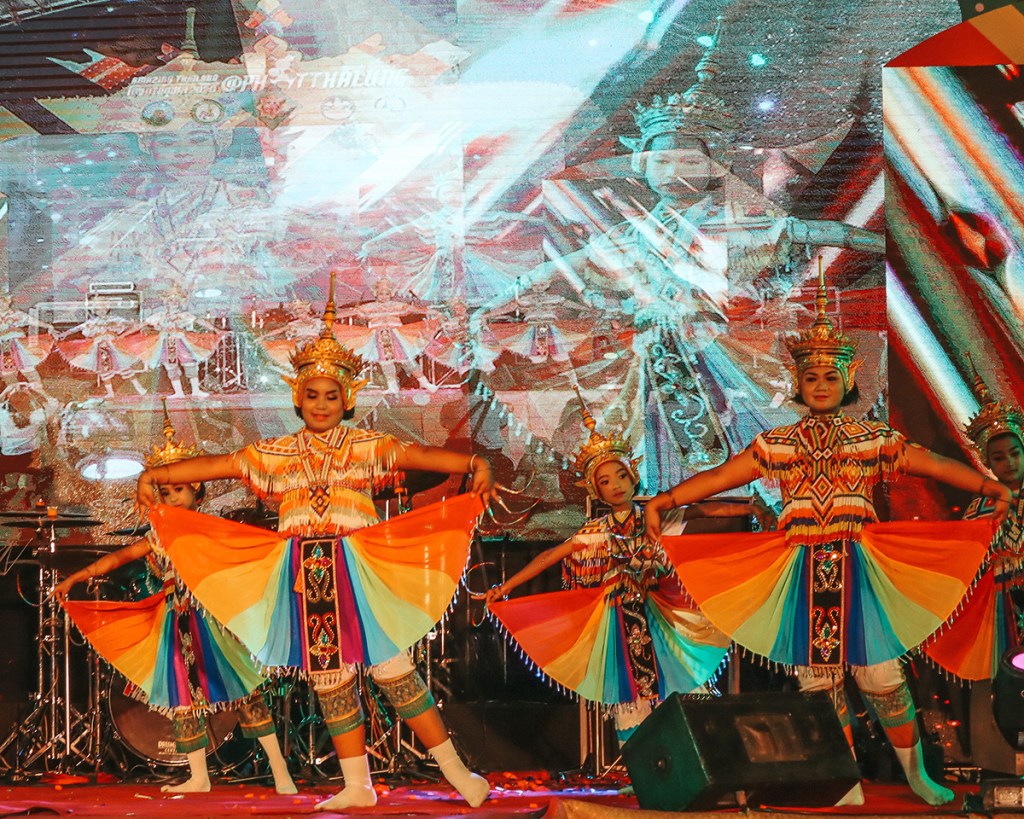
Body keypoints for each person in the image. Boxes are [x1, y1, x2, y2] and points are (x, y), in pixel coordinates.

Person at [643, 267, 1010, 806]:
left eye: (830, 377)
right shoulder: (778, 444)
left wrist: (986, 484)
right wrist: (667, 499)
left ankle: (916, 776)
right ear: (798, 384)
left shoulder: (869, 437)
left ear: (847, 381)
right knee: (818, 681)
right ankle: (846, 781)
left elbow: (928, 462)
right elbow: (723, 475)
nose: (820, 385)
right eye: (811, 377)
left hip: (857, 570)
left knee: (880, 675)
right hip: (802, 573)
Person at [135, 273, 494, 812]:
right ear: (297, 398)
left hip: (357, 570)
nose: (321, 404)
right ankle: (357, 784)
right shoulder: (275, 454)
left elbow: (421, 457)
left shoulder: (366, 446)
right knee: (329, 677)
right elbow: (218, 465)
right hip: (306, 574)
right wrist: (156, 476)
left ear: (347, 400)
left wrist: (476, 463)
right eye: (311, 395)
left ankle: (460, 774)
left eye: (331, 395)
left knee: (392, 669)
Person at [485, 395, 768, 743]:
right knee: (629, 699)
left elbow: (704, 510)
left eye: (621, 475)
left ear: (633, 477)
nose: (616, 484)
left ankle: (690, 754)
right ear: (596, 491)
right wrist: (506, 587)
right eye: (605, 481)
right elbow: (549, 557)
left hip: (661, 616)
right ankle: (640, 763)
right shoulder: (595, 532)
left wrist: (751, 509)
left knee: (679, 687)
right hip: (618, 622)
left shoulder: (656, 518)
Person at [55, 405, 295, 795]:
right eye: (165, 492)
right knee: (183, 700)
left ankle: (280, 770)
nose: (171, 497)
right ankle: (199, 776)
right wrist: (77, 577)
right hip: (175, 624)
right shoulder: (159, 535)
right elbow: (121, 556)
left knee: (244, 694)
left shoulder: (209, 528)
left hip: (213, 623)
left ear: (197, 489)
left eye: (178, 489)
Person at [924, 361, 1024, 681]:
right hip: (1003, 603)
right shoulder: (980, 508)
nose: (1009, 462)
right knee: (1011, 676)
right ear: (986, 462)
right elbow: (965, 561)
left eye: (1015, 453)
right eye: (999, 457)